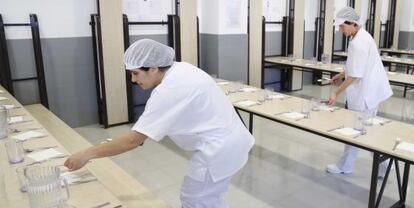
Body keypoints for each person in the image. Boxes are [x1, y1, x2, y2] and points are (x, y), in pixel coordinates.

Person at [64, 39, 255, 207]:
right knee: (205, 199)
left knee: (196, 200)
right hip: (229, 139)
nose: (133, 79)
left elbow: (133, 140)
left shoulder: (169, 90)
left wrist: (87, 153)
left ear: (154, 67)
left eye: (136, 73)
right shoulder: (180, 68)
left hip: (220, 148)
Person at [326, 7, 393, 177]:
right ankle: (383, 165)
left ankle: (349, 166)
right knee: (364, 130)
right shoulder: (360, 36)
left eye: (342, 26)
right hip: (368, 92)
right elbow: (354, 67)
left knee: (357, 131)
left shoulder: (358, 42)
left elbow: (355, 75)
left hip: (365, 95)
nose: (341, 30)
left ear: (353, 24)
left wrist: (335, 93)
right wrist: (340, 75)